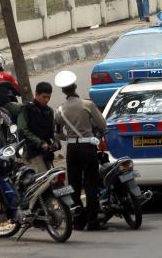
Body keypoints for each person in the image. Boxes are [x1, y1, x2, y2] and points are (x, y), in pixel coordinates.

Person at [54, 70, 107, 231]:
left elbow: (57, 133)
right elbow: (103, 125)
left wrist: (69, 138)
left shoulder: (60, 110)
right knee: (91, 184)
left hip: (72, 149)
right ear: (75, 87)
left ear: (63, 91)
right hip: (87, 148)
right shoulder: (87, 104)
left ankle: (77, 220)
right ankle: (92, 221)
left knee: (74, 185)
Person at [17, 82, 58, 173]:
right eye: (44, 97)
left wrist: (55, 141)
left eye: (49, 97)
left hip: (46, 152)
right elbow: (22, 129)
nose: (46, 100)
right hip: (32, 151)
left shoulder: (49, 111)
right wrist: (40, 142)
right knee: (42, 179)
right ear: (36, 94)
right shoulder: (27, 109)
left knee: (52, 179)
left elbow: (52, 130)